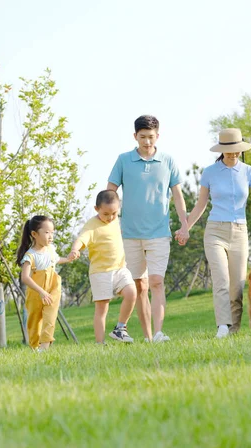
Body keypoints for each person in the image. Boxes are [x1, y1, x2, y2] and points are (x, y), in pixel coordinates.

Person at [181, 128, 251, 338]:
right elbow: (201, 205)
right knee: (221, 279)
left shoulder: (249, 171)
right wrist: (185, 226)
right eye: (228, 151)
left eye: (236, 150)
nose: (233, 154)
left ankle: (233, 329)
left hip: (240, 231)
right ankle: (222, 326)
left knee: (237, 286)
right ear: (221, 150)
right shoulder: (209, 172)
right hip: (215, 230)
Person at [107, 115, 189, 343]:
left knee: (156, 281)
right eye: (142, 137)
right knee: (139, 286)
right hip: (130, 234)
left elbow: (178, 195)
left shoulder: (168, 161)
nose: (147, 142)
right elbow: (110, 193)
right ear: (135, 136)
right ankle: (148, 336)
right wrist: (110, 223)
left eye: (151, 137)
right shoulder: (123, 160)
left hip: (159, 232)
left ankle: (159, 332)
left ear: (158, 136)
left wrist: (184, 224)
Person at [67, 190, 137, 344]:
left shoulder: (116, 220)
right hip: (100, 272)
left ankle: (120, 328)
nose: (110, 217)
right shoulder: (91, 226)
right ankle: (100, 343)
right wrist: (74, 249)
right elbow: (81, 239)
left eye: (114, 213)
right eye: (106, 214)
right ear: (96, 209)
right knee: (102, 308)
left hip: (119, 268)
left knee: (132, 292)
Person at [16, 215, 70, 352]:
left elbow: (55, 260)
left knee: (50, 318)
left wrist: (68, 259)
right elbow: (25, 277)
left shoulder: (51, 249)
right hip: (36, 292)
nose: (51, 236)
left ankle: (45, 346)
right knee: (34, 322)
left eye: (52, 232)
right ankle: (35, 347)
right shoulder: (30, 255)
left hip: (53, 288)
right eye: (47, 233)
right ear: (34, 234)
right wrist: (41, 292)